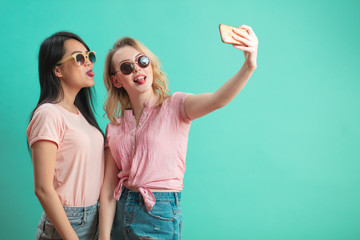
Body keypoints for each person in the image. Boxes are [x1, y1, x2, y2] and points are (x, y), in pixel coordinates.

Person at [99, 24, 258, 240]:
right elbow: (108, 188)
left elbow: (218, 100)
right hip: (120, 212)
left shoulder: (176, 106)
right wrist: (104, 236)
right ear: (116, 80)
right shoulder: (114, 126)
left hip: (158, 215)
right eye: (126, 67)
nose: (137, 69)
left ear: (150, 65)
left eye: (142, 61)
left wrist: (249, 65)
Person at [27, 32, 104, 240]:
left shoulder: (83, 117)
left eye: (89, 57)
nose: (88, 63)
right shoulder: (48, 114)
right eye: (79, 58)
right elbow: (43, 189)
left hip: (96, 218)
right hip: (67, 223)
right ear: (57, 70)